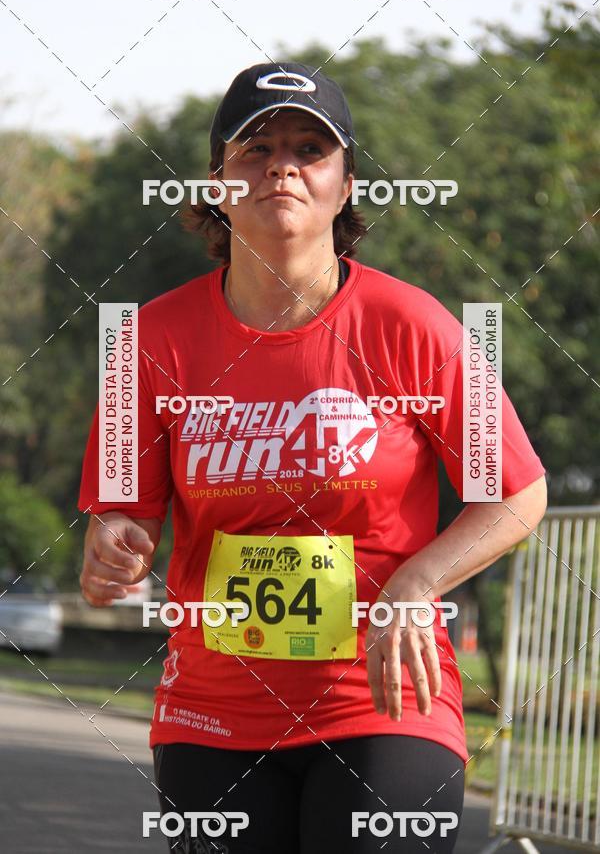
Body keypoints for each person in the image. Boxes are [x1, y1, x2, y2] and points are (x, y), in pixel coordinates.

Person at [78, 61, 547, 853]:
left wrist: (417, 583)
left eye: (309, 149)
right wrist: (111, 547)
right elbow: (123, 513)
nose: (282, 168)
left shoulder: (412, 325)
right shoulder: (147, 340)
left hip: (382, 700)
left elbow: (515, 492)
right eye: (256, 149)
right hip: (213, 710)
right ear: (217, 181)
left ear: (346, 184)